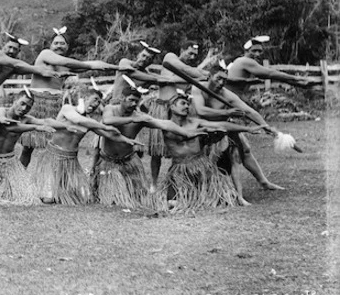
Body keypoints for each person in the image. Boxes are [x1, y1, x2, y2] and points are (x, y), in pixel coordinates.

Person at [19, 27, 125, 168]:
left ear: (67, 47)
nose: (58, 46)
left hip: (54, 105)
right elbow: (75, 64)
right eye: (56, 43)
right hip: (36, 103)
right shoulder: (46, 55)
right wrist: (89, 65)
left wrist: (116, 67)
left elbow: (92, 65)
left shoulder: (68, 65)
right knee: (28, 146)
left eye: (62, 43)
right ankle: (21, 177)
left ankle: (45, 179)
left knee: (52, 146)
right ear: (50, 46)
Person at [0, 33, 59, 177]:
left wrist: (52, 71)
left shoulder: (14, 66)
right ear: (3, 46)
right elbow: (22, 66)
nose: (12, 51)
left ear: (19, 52)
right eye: (10, 47)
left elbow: (29, 69)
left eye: (15, 49)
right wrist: (39, 70)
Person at [96, 84, 205, 210]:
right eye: (130, 100)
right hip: (108, 161)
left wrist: (185, 133)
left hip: (129, 161)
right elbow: (107, 120)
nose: (133, 104)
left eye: (136, 101)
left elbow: (165, 124)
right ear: (121, 98)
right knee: (109, 200)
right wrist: (133, 119)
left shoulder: (140, 117)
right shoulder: (111, 109)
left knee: (139, 197)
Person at [190, 63, 282, 205]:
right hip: (203, 131)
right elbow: (201, 110)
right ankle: (205, 191)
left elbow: (249, 111)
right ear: (209, 77)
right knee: (206, 162)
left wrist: (265, 126)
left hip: (225, 128)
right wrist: (226, 112)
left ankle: (262, 183)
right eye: (218, 79)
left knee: (243, 150)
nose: (221, 83)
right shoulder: (198, 88)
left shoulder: (227, 95)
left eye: (224, 80)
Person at [160, 89, 263, 211]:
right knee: (173, 204)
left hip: (201, 167)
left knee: (222, 199)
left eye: (188, 104)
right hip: (180, 170)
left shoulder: (195, 122)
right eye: (183, 103)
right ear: (172, 106)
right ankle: (192, 196)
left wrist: (247, 129)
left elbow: (222, 125)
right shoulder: (165, 125)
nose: (187, 106)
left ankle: (209, 194)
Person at [30, 85, 124, 205]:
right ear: (84, 98)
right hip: (53, 158)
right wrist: (104, 126)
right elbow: (77, 120)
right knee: (49, 199)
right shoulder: (68, 108)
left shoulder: (90, 121)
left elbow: (109, 135)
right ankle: (53, 188)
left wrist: (128, 140)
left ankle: (63, 189)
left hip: (71, 161)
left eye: (99, 102)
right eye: (94, 99)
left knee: (81, 198)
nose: (96, 104)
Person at [0, 91, 60, 205]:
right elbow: (9, 126)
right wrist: (36, 127)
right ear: (15, 101)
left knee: (25, 197)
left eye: (28, 107)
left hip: (10, 162)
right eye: (22, 103)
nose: (24, 108)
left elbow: (45, 121)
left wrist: (67, 124)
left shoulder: (26, 119)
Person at [144, 40, 208, 189]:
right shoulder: (171, 60)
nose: (192, 57)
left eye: (195, 55)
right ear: (182, 49)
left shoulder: (188, 70)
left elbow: (187, 85)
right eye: (190, 52)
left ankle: (183, 177)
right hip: (161, 109)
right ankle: (153, 184)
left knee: (183, 143)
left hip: (179, 112)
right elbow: (170, 79)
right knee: (156, 150)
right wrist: (198, 76)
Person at [227, 35, 317, 95]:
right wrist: (297, 79)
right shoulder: (245, 61)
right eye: (254, 51)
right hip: (230, 99)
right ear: (246, 51)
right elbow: (270, 73)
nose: (257, 54)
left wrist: (297, 83)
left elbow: (272, 76)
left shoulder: (240, 61)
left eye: (260, 51)